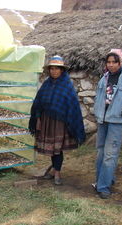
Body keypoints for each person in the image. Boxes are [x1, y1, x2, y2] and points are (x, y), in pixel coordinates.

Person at [29, 55, 86, 185]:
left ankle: (57, 172)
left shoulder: (66, 85)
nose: (54, 71)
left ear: (62, 70)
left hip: (60, 123)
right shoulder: (46, 84)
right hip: (47, 122)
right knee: (51, 148)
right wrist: (37, 118)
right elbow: (38, 103)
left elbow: (72, 106)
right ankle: (54, 169)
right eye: (52, 69)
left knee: (57, 148)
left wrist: (69, 122)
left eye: (57, 69)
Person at [93, 49, 122, 199]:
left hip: (116, 122)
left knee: (110, 154)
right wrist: (97, 111)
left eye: (114, 62)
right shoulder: (104, 78)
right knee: (101, 152)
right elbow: (99, 97)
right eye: (109, 62)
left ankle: (104, 187)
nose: (111, 65)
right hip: (103, 121)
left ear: (121, 63)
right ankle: (102, 180)